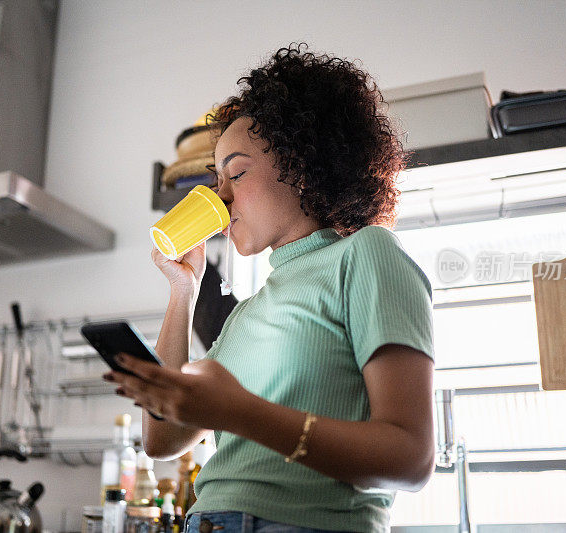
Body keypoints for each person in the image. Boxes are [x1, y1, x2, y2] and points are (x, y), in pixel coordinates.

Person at [103, 43, 435, 533]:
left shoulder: (366, 255)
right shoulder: (245, 313)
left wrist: (242, 413)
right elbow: (162, 437)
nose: (222, 194)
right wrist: (183, 290)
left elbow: (410, 458)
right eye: (217, 178)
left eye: (236, 171)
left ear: (302, 166)